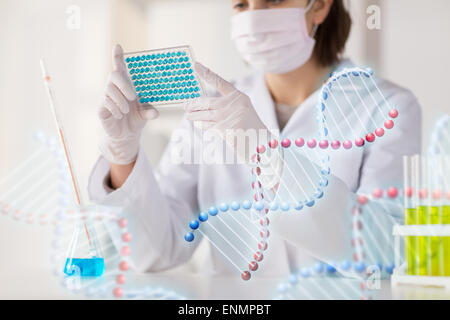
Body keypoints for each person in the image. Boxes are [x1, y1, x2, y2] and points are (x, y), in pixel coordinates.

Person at [88, 0, 421, 276]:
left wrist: (267, 155)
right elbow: (158, 250)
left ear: (319, 6)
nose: (253, 18)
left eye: (273, 0)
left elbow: (380, 252)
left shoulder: (388, 107)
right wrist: (123, 153)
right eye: (241, 4)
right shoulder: (211, 107)